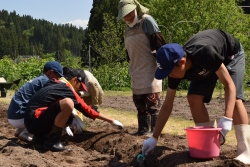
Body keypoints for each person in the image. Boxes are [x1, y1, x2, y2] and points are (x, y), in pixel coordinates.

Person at [142, 29, 250, 164]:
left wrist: (227, 119)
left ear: (182, 62)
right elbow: (167, 106)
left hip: (230, 55)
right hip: (206, 66)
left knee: (235, 100)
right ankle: (208, 144)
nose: (170, 75)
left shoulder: (205, 52)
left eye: (169, 71)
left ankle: (246, 151)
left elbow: (229, 86)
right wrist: (154, 137)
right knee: (193, 97)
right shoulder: (175, 71)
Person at [24, 67, 123, 152]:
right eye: (80, 86)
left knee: (68, 113)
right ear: (75, 80)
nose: (79, 89)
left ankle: (40, 138)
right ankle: (52, 141)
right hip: (35, 120)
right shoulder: (66, 88)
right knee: (68, 103)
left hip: (31, 121)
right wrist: (112, 120)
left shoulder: (54, 82)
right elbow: (87, 109)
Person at [117, 0, 166, 136]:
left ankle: (156, 131)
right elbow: (129, 52)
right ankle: (143, 129)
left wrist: (162, 66)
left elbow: (159, 44)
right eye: (124, 15)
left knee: (152, 102)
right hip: (136, 70)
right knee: (139, 102)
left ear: (135, 9)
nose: (127, 17)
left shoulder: (147, 21)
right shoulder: (127, 29)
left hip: (151, 69)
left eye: (129, 13)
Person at [7, 61, 63, 141]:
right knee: (51, 111)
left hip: (12, 115)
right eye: (57, 77)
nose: (57, 79)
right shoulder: (46, 81)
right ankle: (26, 133)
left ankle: (20, 130)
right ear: (51, 72)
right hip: (20, 117)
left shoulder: (39, 79)